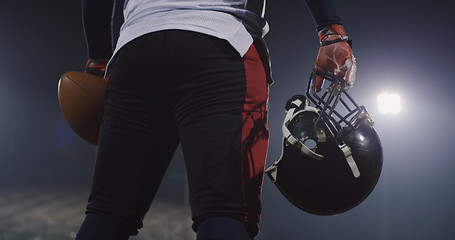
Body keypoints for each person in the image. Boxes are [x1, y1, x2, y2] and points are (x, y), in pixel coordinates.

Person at [76, 0, 356, 239]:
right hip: (221, 41)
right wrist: (332, 30)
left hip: (136, 49)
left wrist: (98, 60)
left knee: (108, 211)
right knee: (225, 209)